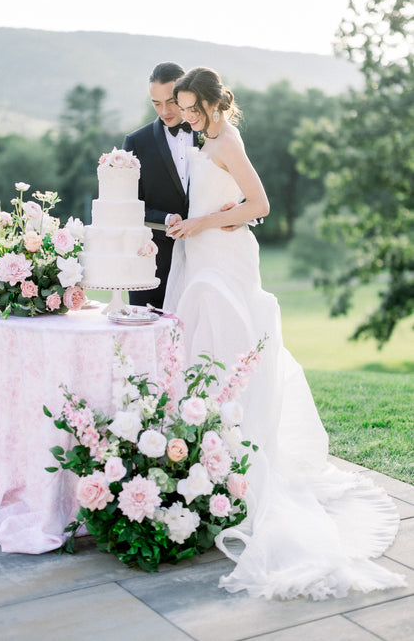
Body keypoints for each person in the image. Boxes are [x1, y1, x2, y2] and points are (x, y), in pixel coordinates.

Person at [164, 67, 405, 600]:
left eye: (191, 107)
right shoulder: (209, 139)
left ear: (212, 103)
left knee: (228, 356)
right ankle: (211, 454)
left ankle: (237, 457)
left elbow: (261, 205)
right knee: (206, 354)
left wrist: (201, 222)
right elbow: (228, 204)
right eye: (180, 107)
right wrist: (199, 220)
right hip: (204, 254)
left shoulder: (227, 140)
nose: (185, 115)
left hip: (224, 262)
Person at [122, 62, 194, 308]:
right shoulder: (136, 143)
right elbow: (130, 207)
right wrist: (165, 219)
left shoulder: (213, 136)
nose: (164, 110)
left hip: (206, 261)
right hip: (155, 267)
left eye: (171, 101)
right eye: (156, 103)